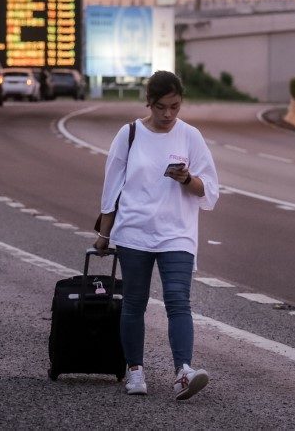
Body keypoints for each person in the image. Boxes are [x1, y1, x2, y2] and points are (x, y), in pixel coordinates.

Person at [94, 70, 220, 400]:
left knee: (178, 299)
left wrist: (186, 178)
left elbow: (209, 191)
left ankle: (183, 371)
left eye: (175, 107)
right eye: (161, 107)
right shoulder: (130, 134)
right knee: (134, 302)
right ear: (149, 103)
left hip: (177, 233)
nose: (168, 115)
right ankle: (135, 370)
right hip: (135, 231)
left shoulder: (191, 136)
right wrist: (104, 235)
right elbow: (112, 186)